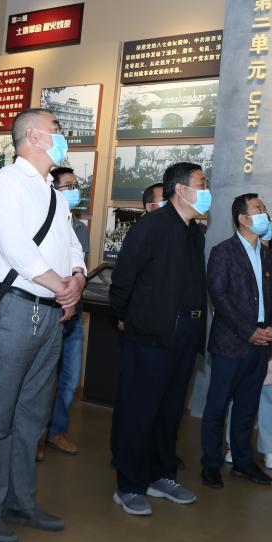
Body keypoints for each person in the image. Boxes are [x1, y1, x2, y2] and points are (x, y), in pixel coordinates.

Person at [0, 109, 86, 542]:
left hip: (52, 313)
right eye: (57, 130)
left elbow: (71, 245)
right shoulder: (5, 182)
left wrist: (77, 278)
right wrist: (60, 285)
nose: (62, 136)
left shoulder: (54, 192)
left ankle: (21, 501)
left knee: (33, 414)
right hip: (18, 309)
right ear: (33, 136)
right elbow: (15, 245)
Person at [108, 162, 208, 517]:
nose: (206, 190)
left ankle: (161, 475)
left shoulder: (194, 233)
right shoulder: (151, 226)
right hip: (151, 335)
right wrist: (128, 318)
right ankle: (130, 485)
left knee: (170, 411)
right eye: (201, 183)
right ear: (180, 190)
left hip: (185, 334)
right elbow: (122, 281)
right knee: (140, 411)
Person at [200, 194, 272, 490]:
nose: (265, 214)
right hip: (231, 342)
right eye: (259, 209)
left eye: (264, 209)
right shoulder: (223, 252)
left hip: (261, 344)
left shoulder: (269, 256)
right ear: (243, 219)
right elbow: (219, 296)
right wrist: (249, 330)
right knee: (217, 406)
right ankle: (211, 463)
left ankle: (243, 461)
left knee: (248, 407)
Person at [224, 225, 272, 471]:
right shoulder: (238, 256)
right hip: (243, 334)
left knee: (270, 395)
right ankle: (235, 445)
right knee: (239, 393)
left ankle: (269, 449)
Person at [39, 166, 91, 458]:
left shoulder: (80, 228)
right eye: (68, 186)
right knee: (43, 378)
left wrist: (75, 285)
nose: (74, 191)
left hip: (73, 313)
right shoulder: (42, 220)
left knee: (69, 380)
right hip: (48, 309)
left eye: (76, 186)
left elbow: (78, 267)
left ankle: (57, 431)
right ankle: (36, 435)